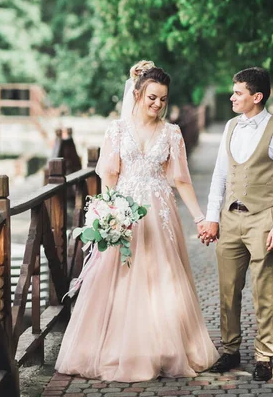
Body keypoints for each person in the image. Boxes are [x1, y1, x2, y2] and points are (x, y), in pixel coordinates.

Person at [55, 60, 219, 382]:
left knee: (161, 280)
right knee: (118, 283)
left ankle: (164, 349)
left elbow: (182, 181)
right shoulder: (117, 130)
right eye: (152, 98)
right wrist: (108, 213)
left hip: (159, 215)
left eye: (163, 99)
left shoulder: (172, 133)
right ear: (138, 93)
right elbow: (109, 177)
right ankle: (117, 350)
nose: (157, 104)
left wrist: (200, 217)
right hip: (124, 213)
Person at [200, 67, 273, 381]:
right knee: (228, 290)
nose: (232, 97)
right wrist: (213, 218)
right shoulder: (230, 127)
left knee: (263, 291)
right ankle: (230, 351)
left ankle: (264, 356)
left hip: (263, 222)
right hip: (230, 220)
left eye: (238, 92)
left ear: (256, 97)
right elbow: (219, 177)